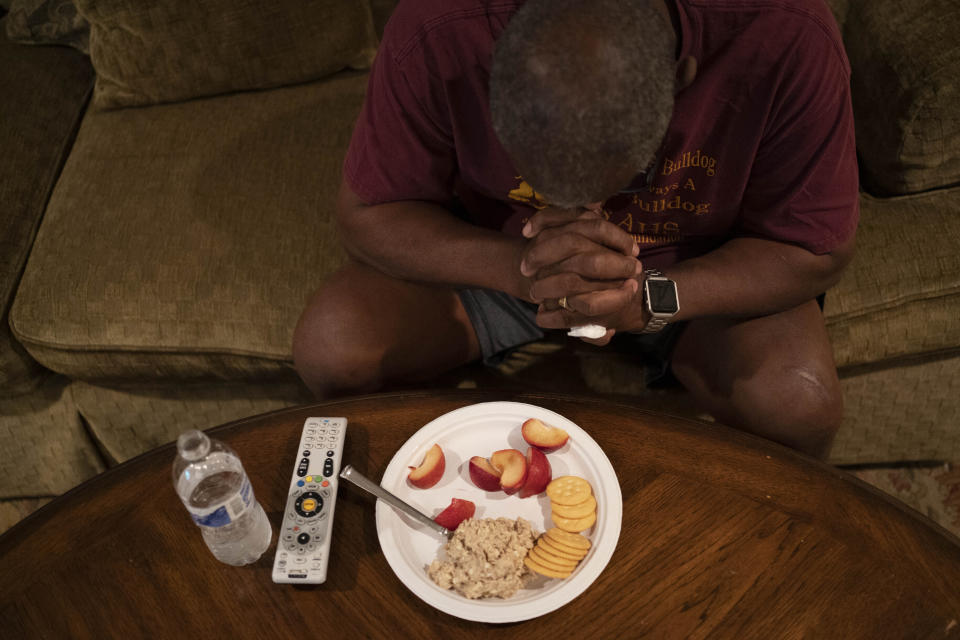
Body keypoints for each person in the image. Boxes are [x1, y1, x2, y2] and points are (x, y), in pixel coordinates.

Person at [292, 0, 859, 459]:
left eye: (611, 180)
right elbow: (366, 216)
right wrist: (525, 271)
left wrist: (648, 299)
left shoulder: (787, 32)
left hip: (690, 273)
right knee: (334, 348)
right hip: (507, 260)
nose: (587, 213)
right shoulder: (441, 25)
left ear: (681, 78)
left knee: (801, 405)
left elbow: (815, 250)